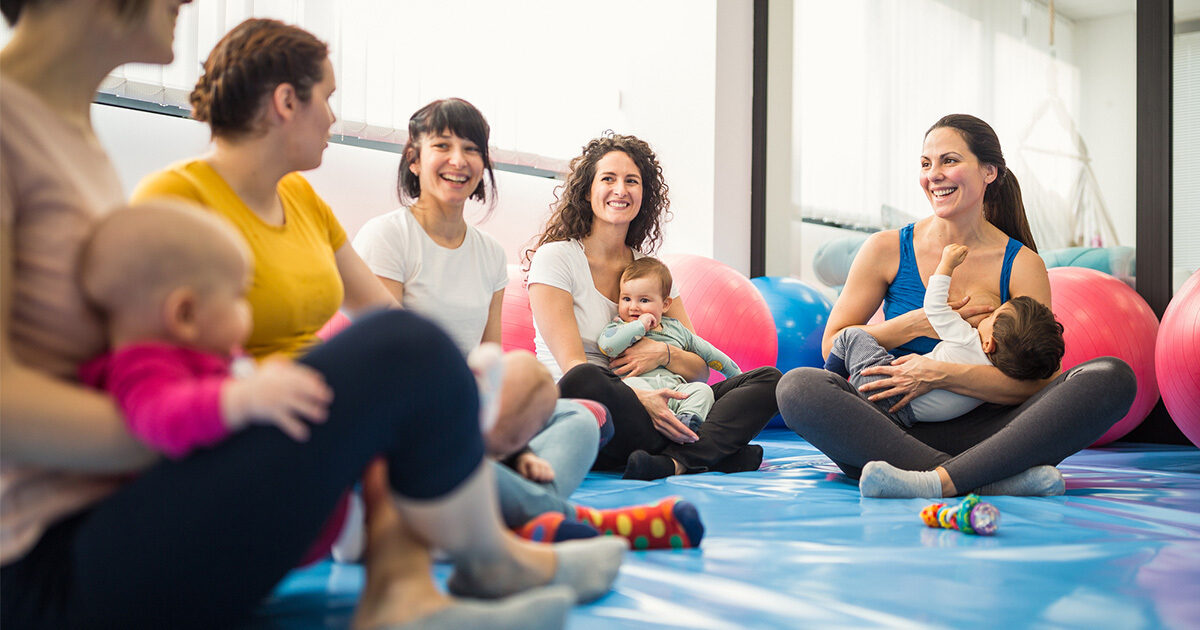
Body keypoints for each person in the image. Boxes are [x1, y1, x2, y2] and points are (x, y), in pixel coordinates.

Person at [0, 6, 621, 628]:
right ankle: (496, 540)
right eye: (326, 98)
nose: (184, 3)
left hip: (166, 477)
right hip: (54, 550)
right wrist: (221, 414)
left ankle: (434, 567)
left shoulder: (71, 137)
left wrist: (446, 400)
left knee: (455, 379)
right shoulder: (139, 185)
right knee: (406, 363)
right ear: (284, 102)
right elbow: (145, 371)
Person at [353, 99, 702, 549]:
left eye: (471, 149)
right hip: (413, 416)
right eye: (442, 145)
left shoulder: (488, 254)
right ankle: (583, 520)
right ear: (414, 160)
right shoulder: (387, 236)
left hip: (471, 416)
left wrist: (509, 442)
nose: (459, 160)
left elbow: (490, 362)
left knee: (578, 421)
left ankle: (510, 507)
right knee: (580, 393)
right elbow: (387, 360)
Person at [775, 114, 1137, 499]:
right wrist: (917, 324)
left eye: (949, 160)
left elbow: (1039, 380)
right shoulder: (884, 249)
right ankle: (989, 478)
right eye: (926, 163)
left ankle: (933, 480)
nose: (934, 175)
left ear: (989, 172)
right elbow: (834, 345)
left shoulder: (1021, 263)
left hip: (992, 431)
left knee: (1111, 377)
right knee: (798, 387)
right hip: (892, 430)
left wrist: (939, 375)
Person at [525, 133, 782, 482]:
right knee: (585, 379)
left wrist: (662, 355)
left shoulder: (650, 271)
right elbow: (574, 367)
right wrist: (642, 398)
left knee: (769, 380)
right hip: (597, 407)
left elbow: (699, 370)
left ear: (644, 194)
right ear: (587, 191)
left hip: (669, 399)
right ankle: (713, 453)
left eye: (632, 181)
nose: (621, 190)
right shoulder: (556, 258)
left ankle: (674, 461)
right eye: (608, 179)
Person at [825, 243, 1065, 427]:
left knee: (852, 337)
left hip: (882, 386)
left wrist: (946, 266)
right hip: (906, 418)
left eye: (992, 317)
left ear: (989, 343)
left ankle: (824, 385)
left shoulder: (968, 339)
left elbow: (935, 308)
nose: (985, 317)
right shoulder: (1002, 375)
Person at [597, 257, 741, 431]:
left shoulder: (677, 329)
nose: (633, 307)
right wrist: (639, 326)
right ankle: (669, 420)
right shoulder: (619, 327)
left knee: (702, 390)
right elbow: (608, 345)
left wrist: (736, 376)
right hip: (641, 393)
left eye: (643, 300)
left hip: (675, 390)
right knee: (628, 386)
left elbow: (709, 352)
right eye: (626, 299)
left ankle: (687, 420)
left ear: (665, 304)